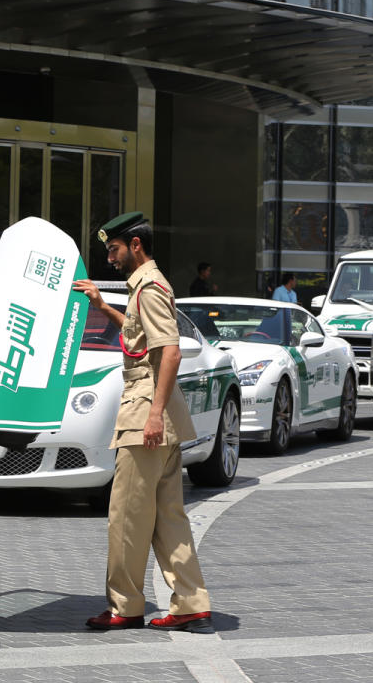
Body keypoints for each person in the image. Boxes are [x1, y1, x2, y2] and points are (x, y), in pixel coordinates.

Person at [72, 211, 214, 634]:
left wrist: (152, 415)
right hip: (161, 415)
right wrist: (102, 306)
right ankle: (190, 602)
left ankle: (125, 606)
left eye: (114, 249)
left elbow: (169, 352)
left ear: (135, 245)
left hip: (145, 413)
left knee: (127, 515)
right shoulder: (147, 287)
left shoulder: (149, 288)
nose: (110, 259)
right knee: (168, 517)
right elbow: (142, 338)